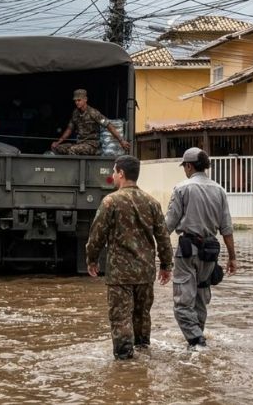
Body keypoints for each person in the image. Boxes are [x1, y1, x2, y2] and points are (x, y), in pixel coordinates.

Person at [86, 155, 173, 360]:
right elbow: (163, 237)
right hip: (145, 272)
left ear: (122, 174)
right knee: (142, 317)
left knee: (120, 318)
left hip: (120, 274)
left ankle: (125, 365)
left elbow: (96, 235)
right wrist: (166, 265)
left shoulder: (110, 202)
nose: (112, 175)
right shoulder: (151, 202)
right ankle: (143, 357)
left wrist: (91, 260)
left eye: (114, 172)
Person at [166, 147, 237, 350]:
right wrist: (232, 258)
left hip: (187, 251)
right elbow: (227, 229)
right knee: (200, 300)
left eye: (185, 167)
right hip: (210, 252)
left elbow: (168, 225)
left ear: (189, 166)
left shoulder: (182, 188)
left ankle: (197, 341)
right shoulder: (220, 190)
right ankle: (197, 341)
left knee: (182, 303)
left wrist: (158, 251)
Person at [51, 89, 130, 155]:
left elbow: (108, 125)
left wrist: (121, 140)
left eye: (79, 100)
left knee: (73, 150)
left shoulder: (93, 113)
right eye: (75, 101)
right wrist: (58, 142)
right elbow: (69, 129)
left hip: (92, 145)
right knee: (57, 148)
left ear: (85, 99)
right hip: (79, 144)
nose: (77, 102)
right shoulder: (75, 113)